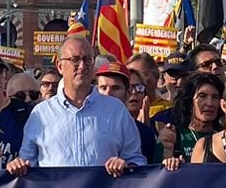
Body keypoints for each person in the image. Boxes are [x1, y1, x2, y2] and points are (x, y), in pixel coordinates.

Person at [7, 35, 143, 177]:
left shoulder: (116, 110)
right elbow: (27, 163)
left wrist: (126, 165)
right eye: (75, 60)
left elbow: (136, 160)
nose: (82, 66)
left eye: (87, 60)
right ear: (60, 66)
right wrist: (18, 166)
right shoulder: (41, 114)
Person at [157, 71, 225, 169]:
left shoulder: (225, 138)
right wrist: (168, 154)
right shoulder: (173, 136)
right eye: (202, 96)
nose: (210, 103)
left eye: (215, 97)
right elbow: (155, 175)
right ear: (189, 102)